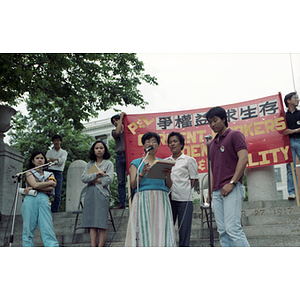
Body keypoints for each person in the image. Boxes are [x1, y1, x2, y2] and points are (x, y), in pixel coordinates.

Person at [206, 106, 250, 247]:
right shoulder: (211, 144)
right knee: (222, 231)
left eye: (215, 120)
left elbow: (243, 159)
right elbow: (212, 170)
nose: (212, 124)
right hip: (217, 192)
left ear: (224, 119)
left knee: (233, 228)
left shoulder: (235, 135)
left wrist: (232, 182)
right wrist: (210, 191)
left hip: (232, 188)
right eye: (210, 122)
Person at [125, 132, 176, 247]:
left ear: (158, 145)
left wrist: (168, 175)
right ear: (143, 146)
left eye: (154, 141)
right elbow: (133, 185)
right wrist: (142, 173)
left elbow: (169, 185)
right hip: (143, 197)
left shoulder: (162, 163)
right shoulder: (136, 163)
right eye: (148, 141)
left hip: (161, 198)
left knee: (162, 226)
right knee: (143, 227)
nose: (151, 144)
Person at [166, 131, 198, 247]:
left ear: (181, 144)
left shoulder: (189, 160)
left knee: (184, 230)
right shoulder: (166, 161)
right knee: (168, 229)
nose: (172, 144)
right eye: (170, 142)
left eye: (175, 141)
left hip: (184, 199)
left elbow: (194, 179)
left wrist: (184, 189)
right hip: (169, 199)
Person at [22, 151, 59, 247]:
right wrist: (48, 183)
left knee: (47, 227)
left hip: (44, 199)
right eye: (37, 158)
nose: (40, 160)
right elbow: (36, 184)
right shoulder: (28, 172)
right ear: (33, 161)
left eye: (42, 158)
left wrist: (35, 186)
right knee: (28, 227)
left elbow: (51, 188)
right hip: (30, 198)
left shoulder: (49, 173)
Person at [81, 140, 114, 247]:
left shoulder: (108, 164)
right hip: (90, 193)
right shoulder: (89, 164)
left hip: (102, 193)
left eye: (101, 148)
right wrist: (97, 174)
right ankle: (93, 246)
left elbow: (109, 179)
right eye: (96, 148)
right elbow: (83, 178)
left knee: (101, 222)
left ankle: (100, 246)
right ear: (93, 150)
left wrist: (93, 179)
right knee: (92, 223)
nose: (99, 150)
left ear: (104, 150)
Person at [283, 92, 300, 200]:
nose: (298, 99)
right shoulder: (283, 116)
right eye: (295, 98)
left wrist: (293, 131)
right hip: (288, 143)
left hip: (299, 140)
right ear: (288, 101)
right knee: (290, 168)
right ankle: (292, 192)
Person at [46, 134, 68, 212]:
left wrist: (53, 160)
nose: (56, 142)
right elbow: (47, 161)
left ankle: (55, 210)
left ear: (60, 142)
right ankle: (46, 209)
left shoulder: (64, 152)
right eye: (54, 141)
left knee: (58, 193)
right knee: (47, 190)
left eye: (57, 140)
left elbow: (61, 162)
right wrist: (56, 160)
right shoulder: (49, 151)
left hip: (59, 172)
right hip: (49, 171)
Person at [111, 112, 127, 209]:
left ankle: (133, 200)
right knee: (121, 181)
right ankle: (122, 203)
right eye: (114, 122)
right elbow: (117, 133)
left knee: (132, 178)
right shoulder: (113, 132)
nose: (116, 122)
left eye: (117, 120)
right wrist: (121, 117)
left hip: (128, 155)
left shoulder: (128, 131)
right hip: (119, 156)